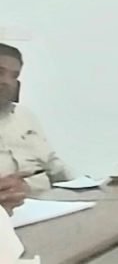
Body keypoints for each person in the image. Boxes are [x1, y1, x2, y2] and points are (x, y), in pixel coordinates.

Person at [0, 43, 72, 192]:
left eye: (14, 76)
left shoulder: (24, 116)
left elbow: (55, 168)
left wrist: (82, 187)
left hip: (44, 200)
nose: (7, 81)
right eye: (0, 72)